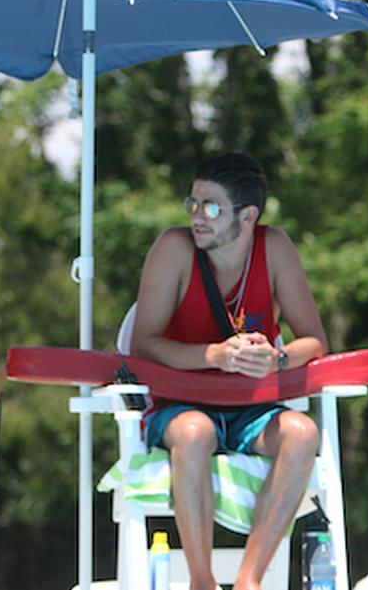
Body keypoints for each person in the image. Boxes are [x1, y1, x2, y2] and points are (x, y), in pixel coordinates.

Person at [130, 151, 328, 590]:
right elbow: (142, 343)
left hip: (250, 409)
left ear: (248, 216)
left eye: (212, 207)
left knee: (303, 433)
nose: (197, 216)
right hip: (179, 406)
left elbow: (315, 341)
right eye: (194, 203)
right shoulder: (174, 248)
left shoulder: (275, 247)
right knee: (197, 432)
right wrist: (214, 356)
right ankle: (202, 583)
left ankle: (247, 582)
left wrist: (276, 359)